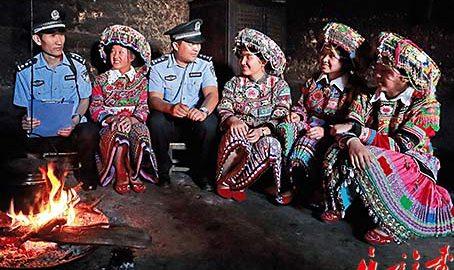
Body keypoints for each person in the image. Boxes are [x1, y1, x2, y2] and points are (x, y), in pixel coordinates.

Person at [320, 32, 454, 244]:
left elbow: (400, 145)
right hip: (370, 147)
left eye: (385, 72)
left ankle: (391, 221)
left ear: (405, 78)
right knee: (337, 150)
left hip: (412, 160)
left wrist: (359, 133)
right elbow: (349, 123)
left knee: (376, 158)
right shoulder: (366, 96)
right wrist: (352, 141)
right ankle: (342, 203)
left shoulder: (427, 107)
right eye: (377, 69)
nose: (377, 75)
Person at [274, 22, 367, 205]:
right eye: (323, 54)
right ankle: (289, 184)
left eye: (331, 56)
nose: (324, 59)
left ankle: (311, 192)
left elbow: (352, 122)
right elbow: (302, 106)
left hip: (334, 133)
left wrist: (326, 131)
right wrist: (297, 115)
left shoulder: (355, 89)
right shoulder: (314, 81)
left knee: (305, 148)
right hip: (309, 126)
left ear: (345, 61)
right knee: (286, 128)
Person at [13, 8, 99, 190]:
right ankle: (34, 182)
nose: (59, 41)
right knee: (11, 136)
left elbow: (85, 99)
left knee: (89, 131)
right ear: (38, 39)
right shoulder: (26, 71)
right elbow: (21, 108)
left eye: (61, 34)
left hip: (71, 129)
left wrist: (75, 120)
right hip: (41, 132)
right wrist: (25, 121)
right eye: (52, 36)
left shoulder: (76, 65)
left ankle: (87, 176)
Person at [216, 28, 291, 201]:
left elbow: (282, 112)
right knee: (237, 135)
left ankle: (238, 183)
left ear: (263, 60)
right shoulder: (234, 83)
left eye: (248, 57)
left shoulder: (279, 85)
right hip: (240, 130)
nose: (242, 62)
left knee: (271, 145)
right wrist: (233, 120)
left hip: (264, 132)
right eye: (241, 57)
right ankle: (223, 181)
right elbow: (225, 106)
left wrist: (262, 131)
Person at [147, 19, 219, 190]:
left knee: (210, 122)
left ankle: (201, 173)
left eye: (198, 44)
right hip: (170, 120)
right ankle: (162, 171)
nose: (196, 48)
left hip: (194, 120)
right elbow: (153, 99)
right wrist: (170, 108)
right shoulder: (159, 67)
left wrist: (203, 111)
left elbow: (212, 94)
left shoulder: (204, 65)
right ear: (176, 45)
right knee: (156, 120)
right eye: (191, 44)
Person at [90, 25, 158, 194]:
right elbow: (95, 107)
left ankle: (135, 171)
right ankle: (121, 172)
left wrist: (130, 120)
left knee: (141, 133)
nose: (115, 56)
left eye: (121, 52)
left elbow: (143, 108)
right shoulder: (101, 81)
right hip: (111, 123)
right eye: (113, 52)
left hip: (133, 121)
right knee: (118, 135)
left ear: (131, 57)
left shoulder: (141, 81)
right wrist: (113, 119)